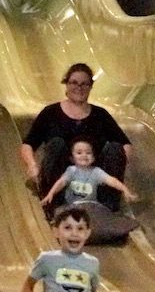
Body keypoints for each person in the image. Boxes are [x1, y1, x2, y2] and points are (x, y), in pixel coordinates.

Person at [20, 62, 131, 211]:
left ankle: (107, 205)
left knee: (115, 147)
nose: (79, 88)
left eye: (84, 84)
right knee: (57, 144)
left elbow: (125, 144)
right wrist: (32, 165)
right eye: (74, 83)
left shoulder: (100, 115)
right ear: (66, 84)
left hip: (91, 179)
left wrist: (118, 164)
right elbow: (28, 144)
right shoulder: (50, 113)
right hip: (61, 178)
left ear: (90, 87)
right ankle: (55, 202)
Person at [20, 205, 114, 292]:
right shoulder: (47, 259)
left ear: (87, 233)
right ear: (56, 232)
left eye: (80, 229)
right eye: (68, 228)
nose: (74, 233)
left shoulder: (92, 263)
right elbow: (29, 285)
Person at [40, 138, 138, 211]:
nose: (84, 155)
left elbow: (112, 181)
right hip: (71, 205)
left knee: (96, 214)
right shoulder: (71, 170)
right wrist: (51, 194)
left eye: (88, 153)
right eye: (79, 153)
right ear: (72, 158)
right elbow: (61, 182)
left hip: (90, 206)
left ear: (94, 158)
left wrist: (125, 190)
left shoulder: (96, 171)